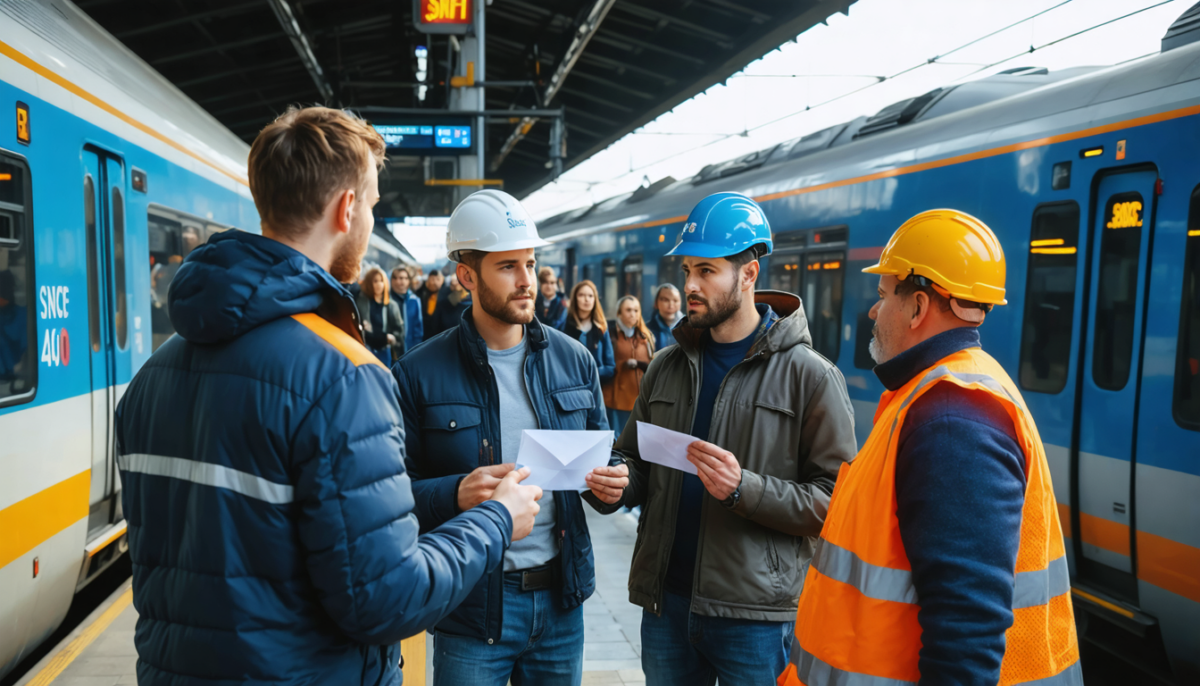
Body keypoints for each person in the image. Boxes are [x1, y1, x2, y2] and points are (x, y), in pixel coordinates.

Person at [113, 107, 542, 686]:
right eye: (370, 204)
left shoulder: (152, 377)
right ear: (346, 209)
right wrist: (496, 520)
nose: (369, 218)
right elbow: (387, 602)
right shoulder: (343, 377)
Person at [779, 210, 1081, 686]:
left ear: (918, 307)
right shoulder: (939, 393)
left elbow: (966, 635)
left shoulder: (951, 420)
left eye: (882, 296)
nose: (874, 311)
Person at [612, 192, 857, 686]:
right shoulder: (666, 366)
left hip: (756, 619)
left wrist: (745, 488)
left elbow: (838, 504)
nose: (690, 286)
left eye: (706, 271)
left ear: (748, 275)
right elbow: (634, 460)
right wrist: (616, 480)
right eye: (687, 272)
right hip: (667, 607)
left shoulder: (810, 377)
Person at [393, 189, 630, 686]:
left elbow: (597, 464)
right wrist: (456, 492)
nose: (528, 281)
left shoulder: (575, 361)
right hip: (470, 608)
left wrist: (611, 486)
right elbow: (392, 499)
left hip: (561, 606)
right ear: (467, 276)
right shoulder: (417, 373)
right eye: (508, 267)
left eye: (530, 262)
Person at [603, 295, 654, 438]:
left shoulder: (645, 337)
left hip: (639, 399)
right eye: (628, 310)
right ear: (619, 313)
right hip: (615, 398)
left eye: (636, 310)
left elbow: (653, 364)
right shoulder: (610, 335)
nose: (633, 314)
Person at [563, 280, 615, 385]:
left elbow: (610, 368)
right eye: (581, 295)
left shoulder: (602, 329)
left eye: (590, 296)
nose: (586, 299)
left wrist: (593, 373)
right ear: (575, 299)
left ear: (595, 300)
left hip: (596, 392)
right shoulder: (565, 328)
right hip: (570, 389)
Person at [356, 265, 405, 365]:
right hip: (366, 349)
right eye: (375, 281)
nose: (379, 284)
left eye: (381, 280)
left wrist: (393, 338)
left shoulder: (392, 306)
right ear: (369, 283)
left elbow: (399, 330)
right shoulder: (361, 303)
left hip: (385, 350)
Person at [391, 265, 424, 353]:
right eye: (397, 278)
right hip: (391, 350)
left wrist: (415, 350)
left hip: (409, 349)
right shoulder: (387, 300)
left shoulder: (414, 300)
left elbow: (418, 329)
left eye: (404, 278)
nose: (401, 281)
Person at [646, 283, 682, 352]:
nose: (671, 306)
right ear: (656, 303)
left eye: (675, 301)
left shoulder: (689, 329)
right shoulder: (647, 330)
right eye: (666, 300)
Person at [417, 267, 445, 339]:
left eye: (438, 279)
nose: (434, 282)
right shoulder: (420, 294)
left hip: (440, 336)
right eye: (432, 279)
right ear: (428, 280)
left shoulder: (446, 296)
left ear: (442, 280)